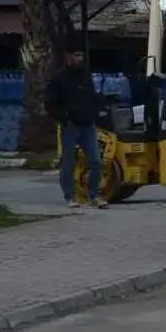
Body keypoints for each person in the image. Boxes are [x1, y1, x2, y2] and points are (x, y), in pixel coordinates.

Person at [45, 44, 106, 209]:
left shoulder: (85, 76)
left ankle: (94, 195)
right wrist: (63, 118)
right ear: (68, 57)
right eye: (76, 55)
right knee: (68, 162)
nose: (79, 59)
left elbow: (92, 96)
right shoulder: (59, 78)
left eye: (81, 55)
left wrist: (98, 109)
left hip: (88, 125)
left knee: (95, 160)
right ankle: (70, 196)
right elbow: (50, 102)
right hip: (70, 126)